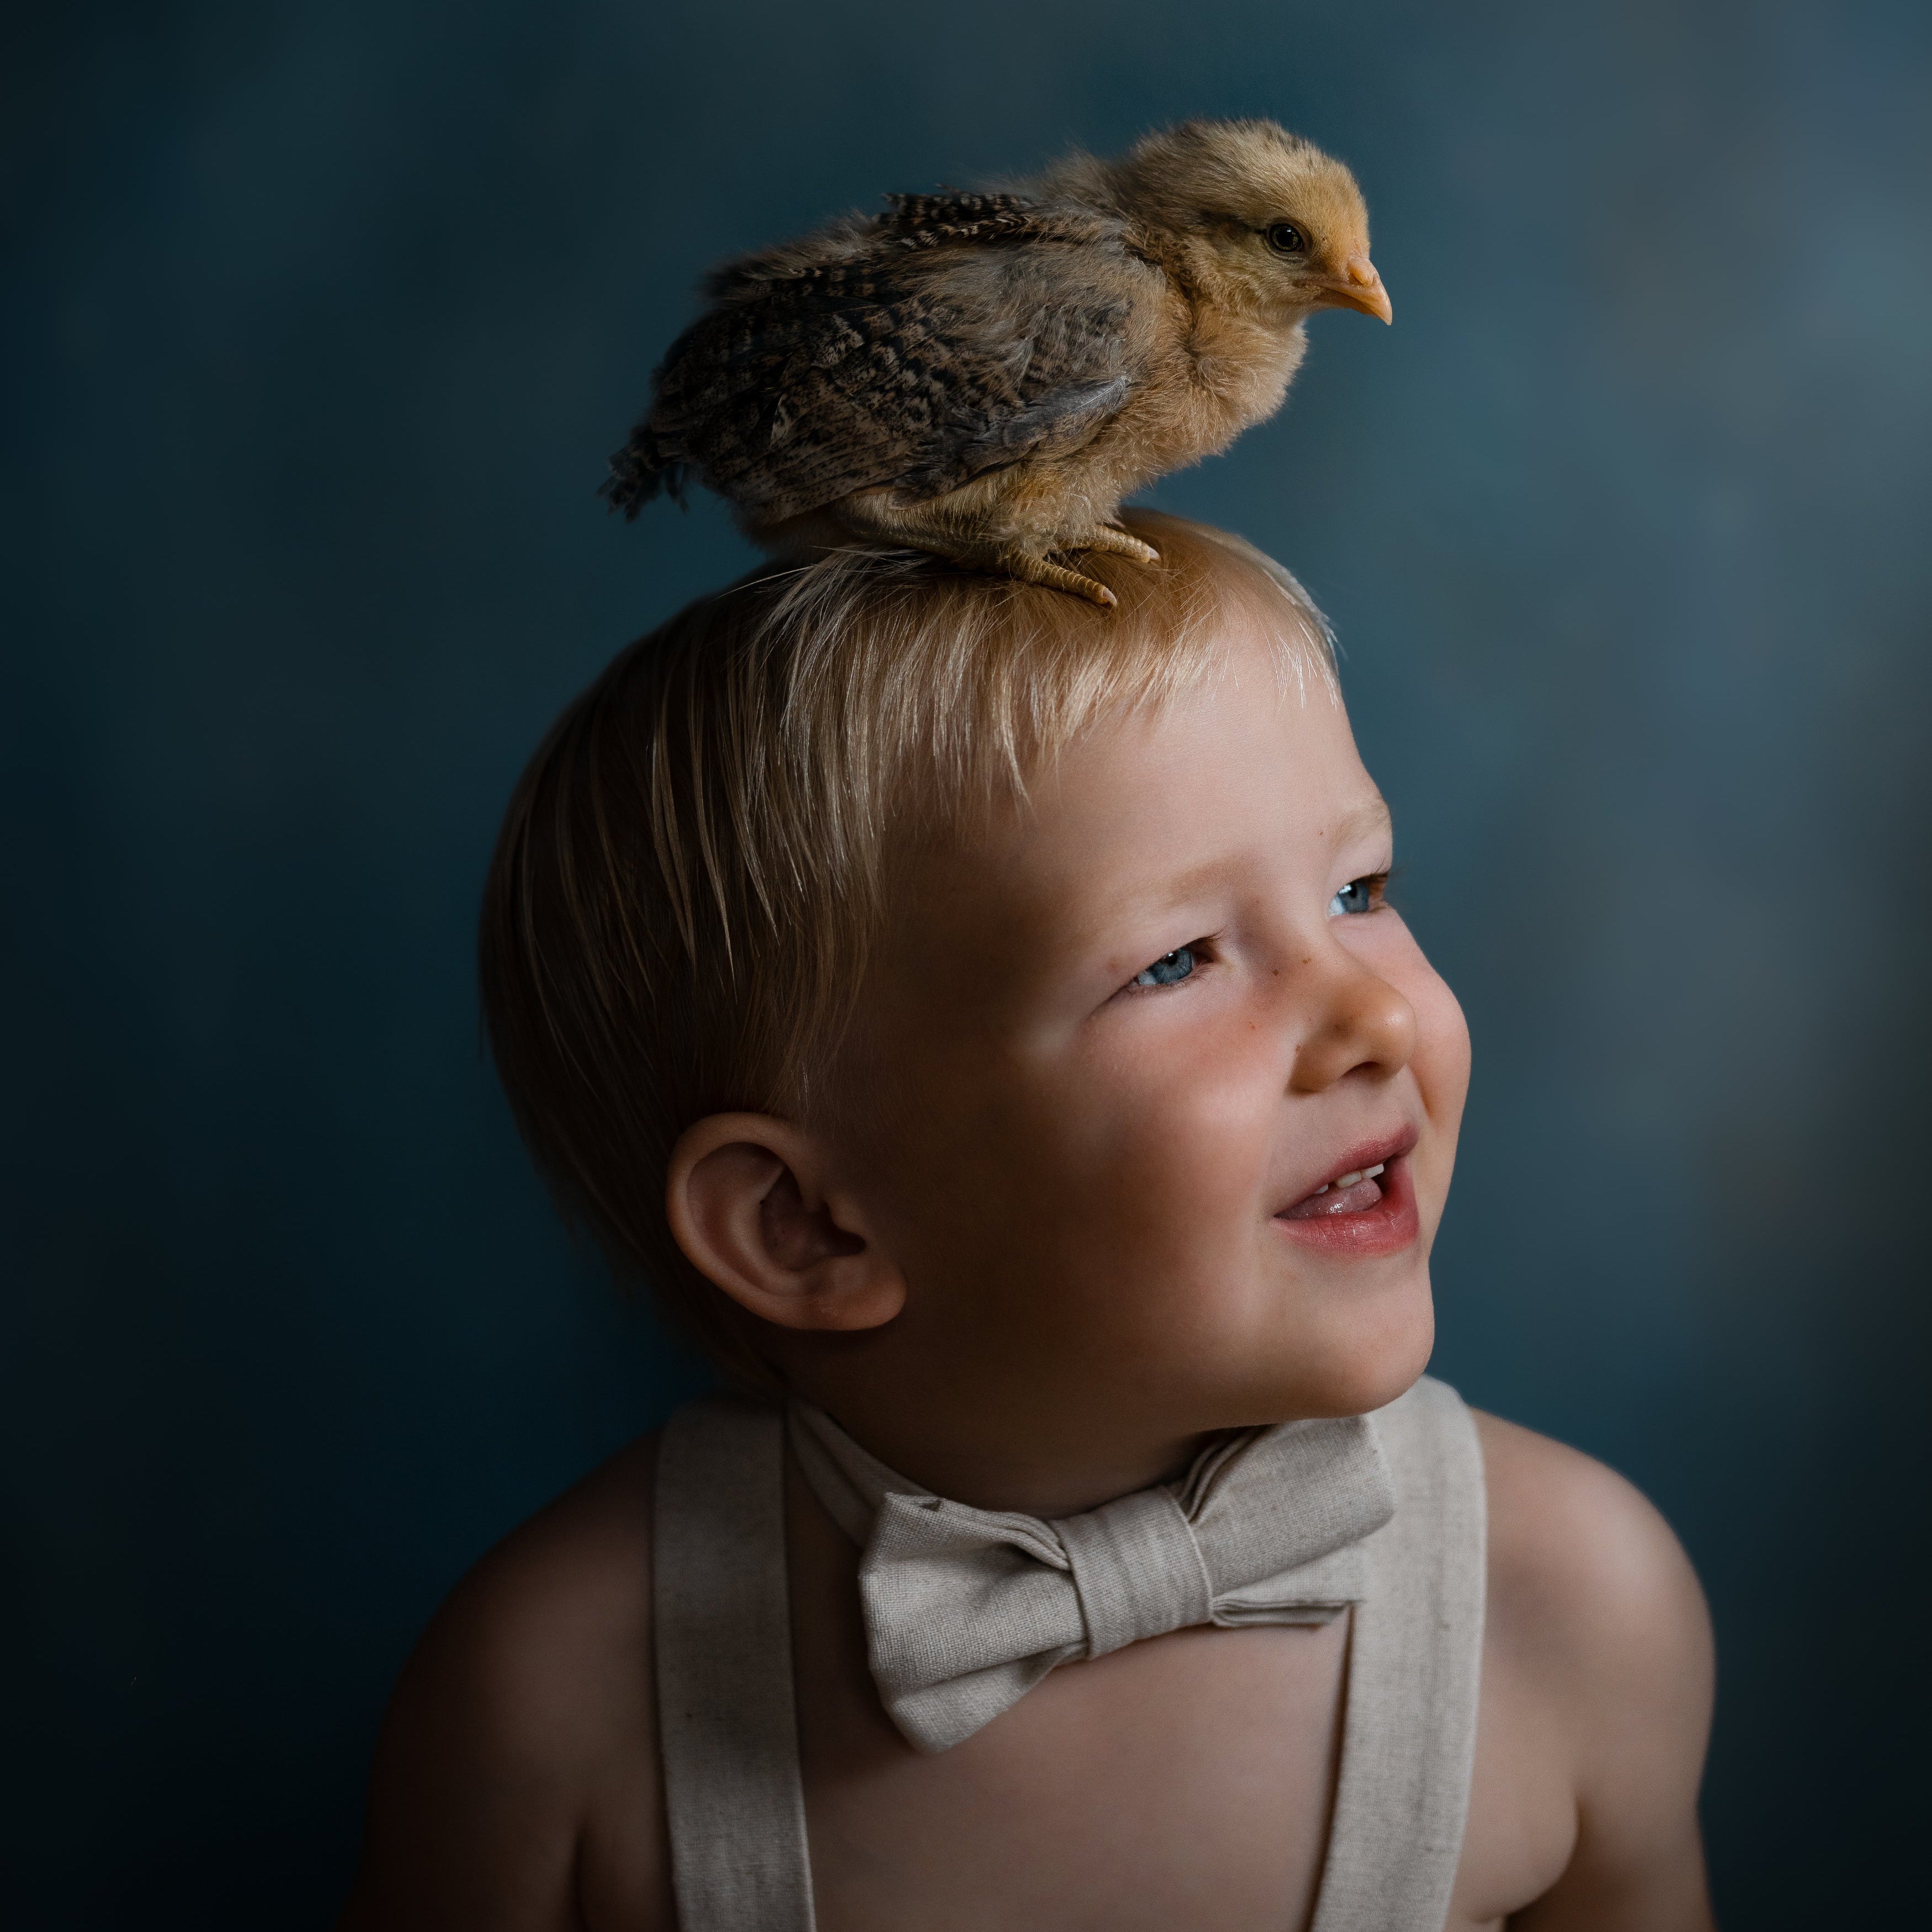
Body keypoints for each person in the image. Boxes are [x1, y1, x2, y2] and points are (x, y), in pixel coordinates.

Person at [339, 514, 1715, 1931]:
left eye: (1357, 890)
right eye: (1175, 960)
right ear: (808, 1225)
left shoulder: (1571, 1606)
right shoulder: (556, 1706)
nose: (1370, 1014)